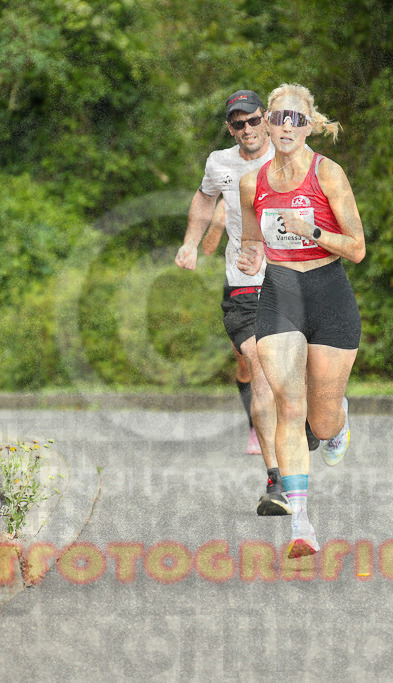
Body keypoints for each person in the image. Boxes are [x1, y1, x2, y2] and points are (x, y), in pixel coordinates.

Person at [237, 83, 366, 559]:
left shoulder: (328, 174)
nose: (286, 125)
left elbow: (357, 248)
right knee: (290, 407)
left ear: (308, 125)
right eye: (278, 117)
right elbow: (253, 240)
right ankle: (302, 527)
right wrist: (251, 258)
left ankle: (340, 420)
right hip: (281, 294)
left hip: (329, 292)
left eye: (296, 118)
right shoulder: (254, 182)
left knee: (322, 420)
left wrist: (310, 228)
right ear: (267, 124)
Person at [175, 89, 290, 516]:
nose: (247, 130)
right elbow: (206, 198)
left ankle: (321, 418)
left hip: (292, 277)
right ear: (230, 128)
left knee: (297, 373)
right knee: (255, 362)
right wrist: (190, 244)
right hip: (243, 280)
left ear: (267, 119)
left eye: (254, 121)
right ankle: (275, 479)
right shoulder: (218, 163)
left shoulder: (289, 155)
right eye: (238, 124)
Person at [201, 199, 262, 456]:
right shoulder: (227, 197)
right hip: (240, 283)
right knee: (245, 362)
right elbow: (207, 248)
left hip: (277, 278)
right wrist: (218, 224)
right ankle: (255, 428)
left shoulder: (276, 187)